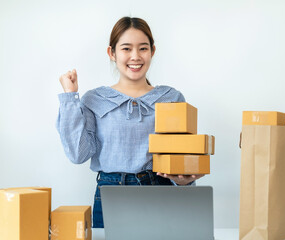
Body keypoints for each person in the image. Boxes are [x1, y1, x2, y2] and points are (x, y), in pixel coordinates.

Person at [56, 16, 205, 228]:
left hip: (160, 191)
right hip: (110, 194)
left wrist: (185, 179)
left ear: (153, 51)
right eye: (126, 48)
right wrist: (70, 98)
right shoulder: (94, 100)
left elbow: (183, 157)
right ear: (112, 53)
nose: (135, 56)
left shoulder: (171, 98)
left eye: (143, 48)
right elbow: (78, 154)